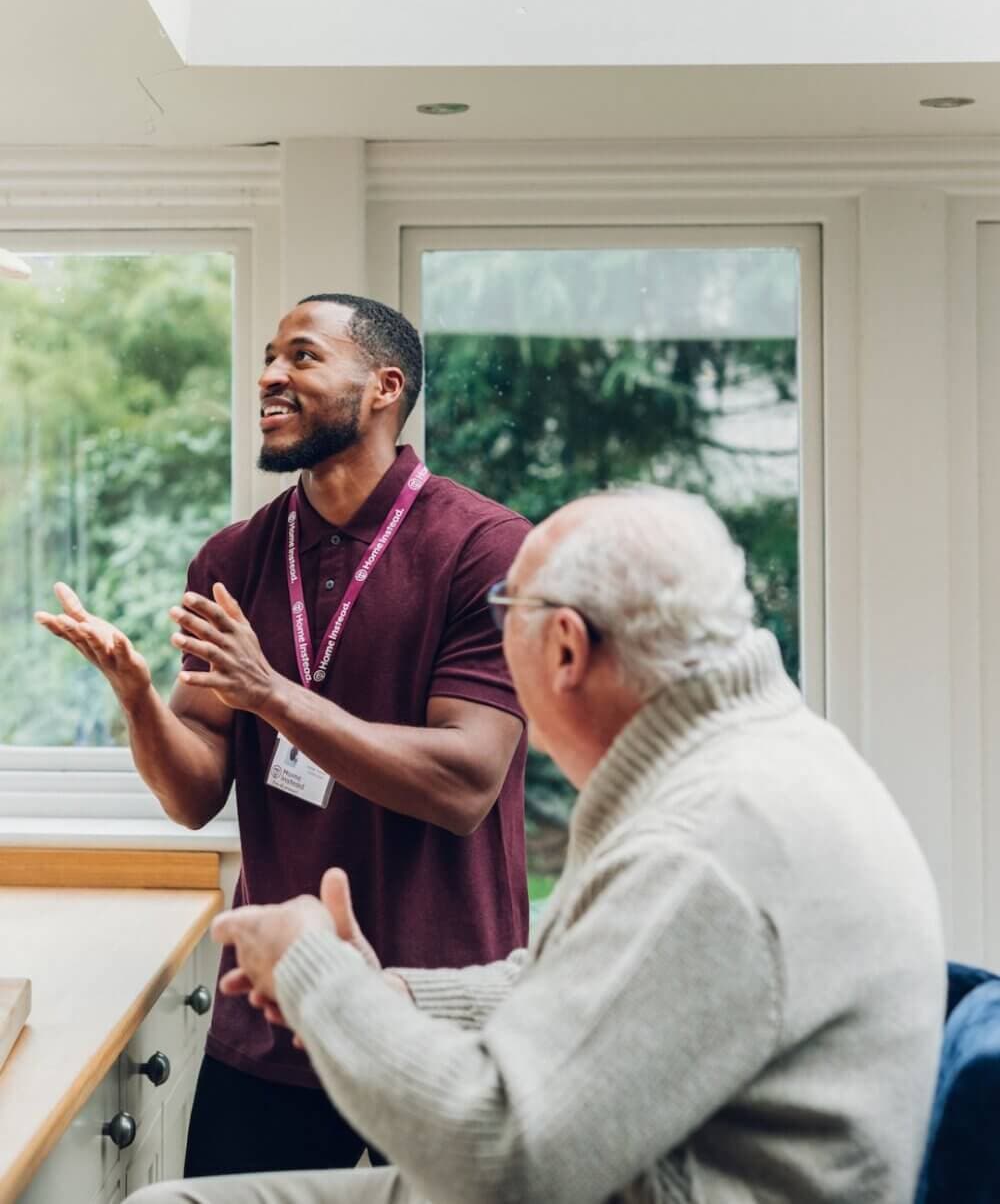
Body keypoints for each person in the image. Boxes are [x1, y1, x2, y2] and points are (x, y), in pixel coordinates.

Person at [128, 486, 947, 1204]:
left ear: (563, 647)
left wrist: (317, 974)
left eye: (501, 616)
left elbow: (502, 1162)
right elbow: (606, 984)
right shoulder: (757, 757)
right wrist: (403, 995)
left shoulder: (702, 841)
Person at [36, 293, 530, 1176]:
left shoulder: (486, 548)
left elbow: (465, 784)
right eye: (268, 356)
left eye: (302, 356)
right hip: (269, 1029)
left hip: (437, 1025)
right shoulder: (233, 559)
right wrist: (141, 699)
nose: (269, 375)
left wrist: (272, 693)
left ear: (383, 387)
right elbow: (193, 794)